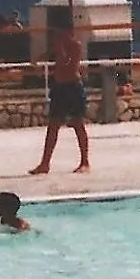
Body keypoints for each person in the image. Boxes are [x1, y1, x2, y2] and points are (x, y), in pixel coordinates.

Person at [30, 25, 91, 175]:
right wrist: (38, 61)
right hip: (59, 88)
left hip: (73, 87)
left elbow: (69, 65)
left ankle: (85, 162)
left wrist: (60, 49)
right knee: (53, 126)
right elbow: (47, 56)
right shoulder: (57, 46)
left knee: (78, 124)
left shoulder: (75, 45)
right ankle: (45, 163)